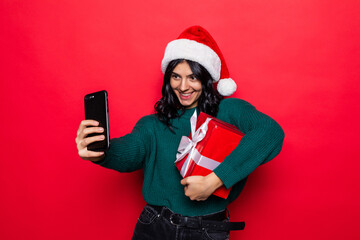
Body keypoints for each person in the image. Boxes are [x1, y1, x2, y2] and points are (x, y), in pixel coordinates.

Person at [75, 26, 285, 240]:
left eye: (193, 77)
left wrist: (215, 181)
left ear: (206, 79)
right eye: (176, 77)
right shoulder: (153, 125)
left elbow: (271, 132)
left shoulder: (230, 111)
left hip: (208, 229)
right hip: (155, 226)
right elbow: (130, 151)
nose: (183, 86)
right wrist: (101, 151)